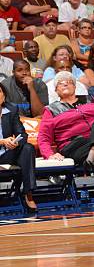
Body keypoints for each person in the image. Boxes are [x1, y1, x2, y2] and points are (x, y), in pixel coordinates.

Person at [38, 72, 94, 205]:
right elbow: (43, 137)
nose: (65, 83)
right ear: (56, 90)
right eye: (61, 82)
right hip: (73, 146)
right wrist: (50, 155)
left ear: (75, 86)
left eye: (69, 81)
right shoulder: (51, 110)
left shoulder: (89, 100)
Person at [0, 82, 37, 211]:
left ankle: (29, 193)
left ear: (4, 95)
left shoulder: (11, 110)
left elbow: (22, 133)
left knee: (28, 148)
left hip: (7, 153)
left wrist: (15, 142)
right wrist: (2, 141)